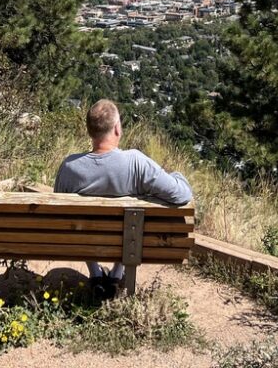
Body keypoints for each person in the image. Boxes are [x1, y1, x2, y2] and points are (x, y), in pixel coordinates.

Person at [54, 99, 193, 297]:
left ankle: (95, 273)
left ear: (89, 131)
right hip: (128, 244)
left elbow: (60, 211)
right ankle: (117, 273)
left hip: (83, 240)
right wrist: (177, 175)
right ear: (117, 128)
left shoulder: (69, 167)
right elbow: (181, 194)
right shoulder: (136, 162)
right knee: (130, 226)